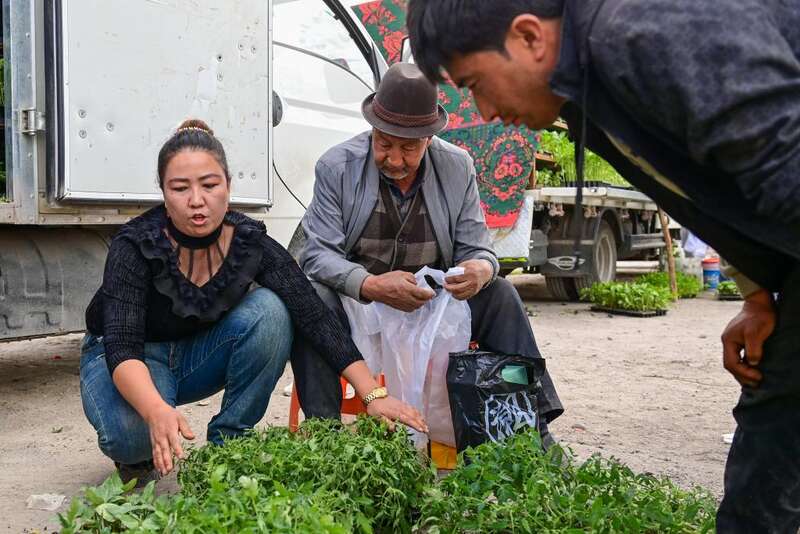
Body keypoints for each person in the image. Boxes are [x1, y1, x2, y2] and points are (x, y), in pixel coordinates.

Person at [406, 0, 800, 530]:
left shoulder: (646, 31)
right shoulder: (583, 89)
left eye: (475, 83)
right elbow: (718, 183)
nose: (485, 111)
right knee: (771, 435)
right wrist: (755, 292)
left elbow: (784, 164)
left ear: (529, 37)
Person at [80, 119, 427, 485]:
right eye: (180, 188)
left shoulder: (248, 241)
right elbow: (122, 345)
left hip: (195, 355)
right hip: (127, 358)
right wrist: (155, 410)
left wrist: (372, 394)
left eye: (209, 185)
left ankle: (229, 444)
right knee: (132, 438)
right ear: (164, 192)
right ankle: (137, 452)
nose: (196, 200)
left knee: (273, 310)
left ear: (228, 186)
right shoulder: (135, 245)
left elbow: (314, 316)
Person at [292, 63, 563, 444]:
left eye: (408, 148)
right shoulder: (337, 166)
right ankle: (326, 437)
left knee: (501, 295)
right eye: (384, 144)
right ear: (372, 130)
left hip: (430, 305)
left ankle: (531, 430)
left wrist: (481, 269)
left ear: (429, 139)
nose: (394, 159)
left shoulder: (457, 166)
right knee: (311, 299)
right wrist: (370, 285)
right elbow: (317, 255)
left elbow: (478, 248)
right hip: (359, 303)